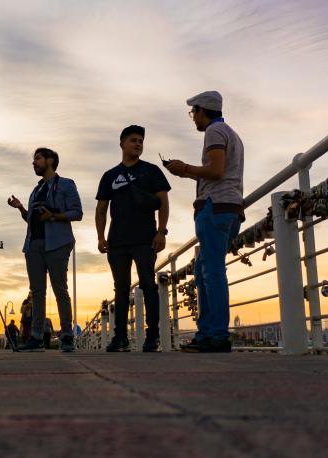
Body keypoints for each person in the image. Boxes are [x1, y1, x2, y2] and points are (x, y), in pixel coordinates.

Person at [165, 91, 244, 353]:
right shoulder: (231, 134)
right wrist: (186, 172)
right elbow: (218, 173)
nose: (192, 118)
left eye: (193, 113)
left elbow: (216, 171)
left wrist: (185, 168)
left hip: (215, 207)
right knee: (202, 271)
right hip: (229, 207)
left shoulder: (214, 133)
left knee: (211, 272)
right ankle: (207, 332)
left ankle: (217, 335)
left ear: (202, 110)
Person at [95, 125, 171, 352]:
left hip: (145, 238)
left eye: (140, 141)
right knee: (120, 288)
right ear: (122, 144)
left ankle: (153, 336)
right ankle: (120, 337)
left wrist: (161, 231)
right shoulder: (110, 176)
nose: (138, 144)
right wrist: (100, 236)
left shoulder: (152, 171)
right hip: (117, 240)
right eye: (133, 140)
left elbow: (163, 203)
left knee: (148, 284)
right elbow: (101, 209)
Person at [8, 148, 83, 352]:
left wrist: (53, 216)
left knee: (60, 289)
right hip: (33, 245)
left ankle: (66, 334)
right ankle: (36, 337)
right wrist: (21, 208)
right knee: (37, 292)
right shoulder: (36, 190)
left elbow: (77, 213)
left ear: (50, 161)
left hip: (57, 243)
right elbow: (32, 221)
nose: (34, 162)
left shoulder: (66, 184)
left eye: (38, 159)